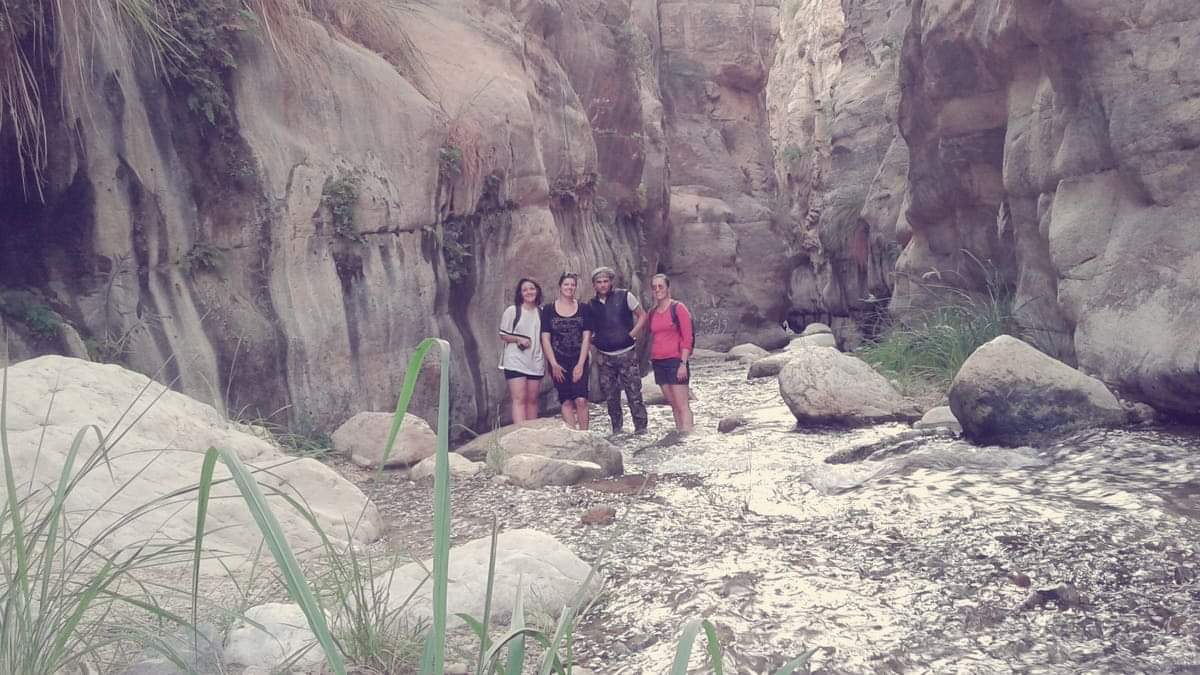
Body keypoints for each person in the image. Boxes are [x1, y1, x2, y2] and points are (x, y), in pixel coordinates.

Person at [588, 266, 648, 435]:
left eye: (605, 281)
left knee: (634, 394)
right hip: (604, 357)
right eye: (599, 282)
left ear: (611, 282)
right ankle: (617, 430)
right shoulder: (591, 305)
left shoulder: (625, 296)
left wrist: (632, 334)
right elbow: (588, 328)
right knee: (611, 396)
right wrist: (594, 339)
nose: (602, 285)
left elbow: (642, 315)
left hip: (626, 353)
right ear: (594, 285)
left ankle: (641, 429)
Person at [540, 272, 595, 429]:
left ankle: (585, 435)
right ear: (560, 286)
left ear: (575, 287)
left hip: (579, 358)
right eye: (566, 284)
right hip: (558, 361)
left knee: (581, 399)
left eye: (572, 285)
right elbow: (545, 338)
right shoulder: (548, 310)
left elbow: (586, 337)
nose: (569, 287)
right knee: (566, 400)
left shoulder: (584, 308)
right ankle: (572, 434)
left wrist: (580, 364)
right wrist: (553, 364)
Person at [647, 273, 694, 433]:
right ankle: (680, 434)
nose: (657, 290)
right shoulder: (652, 313)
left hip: (675, 361)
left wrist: (683, 364)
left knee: (682, 405)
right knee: (673, 404)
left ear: (668, 288)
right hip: (658, 362)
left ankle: (688, 437)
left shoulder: (678, 308)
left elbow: (687, 338)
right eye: (654, 287)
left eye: (660, 286)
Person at [498, 278, 546, 425]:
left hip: (536, 361)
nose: (529, 292)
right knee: (519, 399)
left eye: (532, 288)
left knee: (533, 400)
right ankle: (520, 431)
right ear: (520, 293)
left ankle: (531, 432)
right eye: (525, 290)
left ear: (537, 291)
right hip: (516, 361)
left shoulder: (541, 312)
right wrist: (518, 339)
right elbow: (503, 335)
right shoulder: (513, 311)